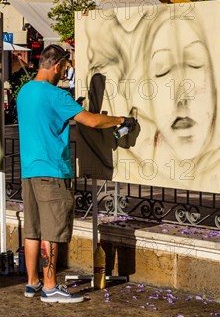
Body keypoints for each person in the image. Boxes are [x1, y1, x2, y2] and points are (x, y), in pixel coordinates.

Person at [16, 45, 137, 303]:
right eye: (65, 68)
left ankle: (32, 282)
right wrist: (119, 120)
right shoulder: (56, 96)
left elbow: (44, 119)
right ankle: (50, 287)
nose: (64, 73)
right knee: (52, 231)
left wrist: (71, 107)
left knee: (33, 230)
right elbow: (92, 121)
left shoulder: (24, 92)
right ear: (57, 65)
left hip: (29, 171)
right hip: (52, 172)